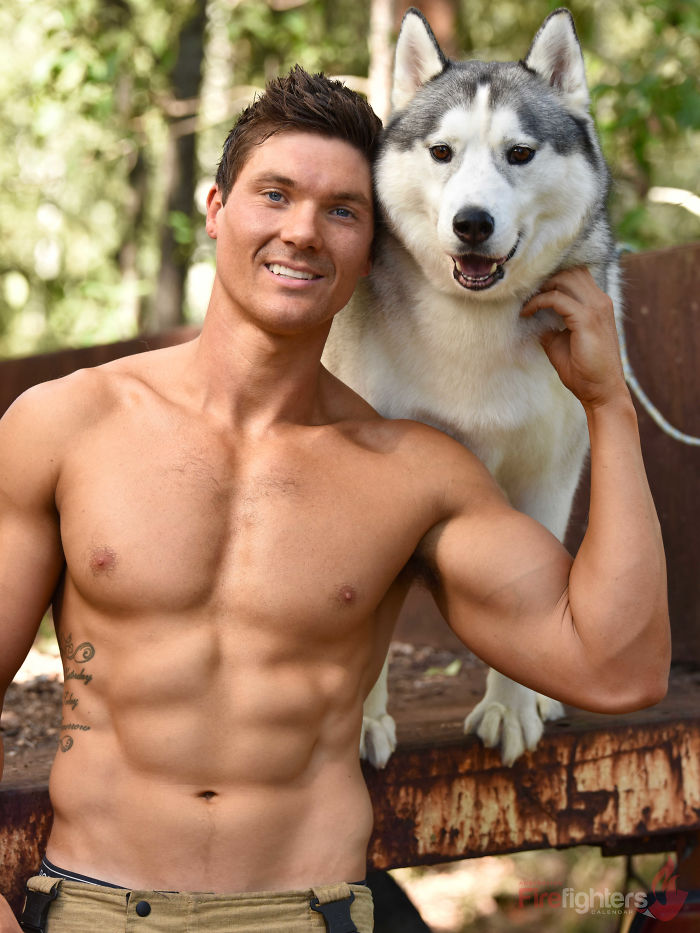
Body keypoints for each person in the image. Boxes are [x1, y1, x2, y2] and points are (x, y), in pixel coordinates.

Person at [0, 66, 669, 933]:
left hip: (307, 912)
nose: (303, 231)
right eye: (274, 193)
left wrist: (608, 407)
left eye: (342, 211)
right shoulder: (65, 425)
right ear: (215, 209)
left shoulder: (407, 474)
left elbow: (622, 666)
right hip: (91, 906)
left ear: (376, 242)